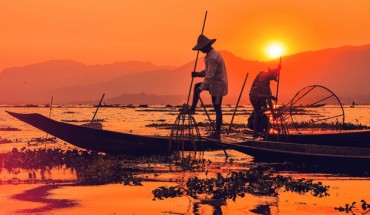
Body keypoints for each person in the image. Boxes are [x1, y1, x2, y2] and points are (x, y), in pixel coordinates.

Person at [188, 34, 228, 138]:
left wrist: (201, 88)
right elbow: (208, 71)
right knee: (197, 86)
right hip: (213, 83)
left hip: (218, 86)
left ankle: (217, 133)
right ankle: (193, 108)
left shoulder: (212, 57)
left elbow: (210, 75)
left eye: (201, 48)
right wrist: (198, 74)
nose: (200, 50)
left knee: (217, 108)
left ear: (206, 46)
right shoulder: (210, 55)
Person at [248, 65, 281, 138]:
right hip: (254, 96)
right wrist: (273, 113)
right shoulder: (262, 75)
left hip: (259, 97)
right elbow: (267, 96)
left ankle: (257, 132)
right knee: (257, 112)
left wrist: (278, 69)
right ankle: (256, 132)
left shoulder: (267, 82)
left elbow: (268, 93)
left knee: (258, 113)